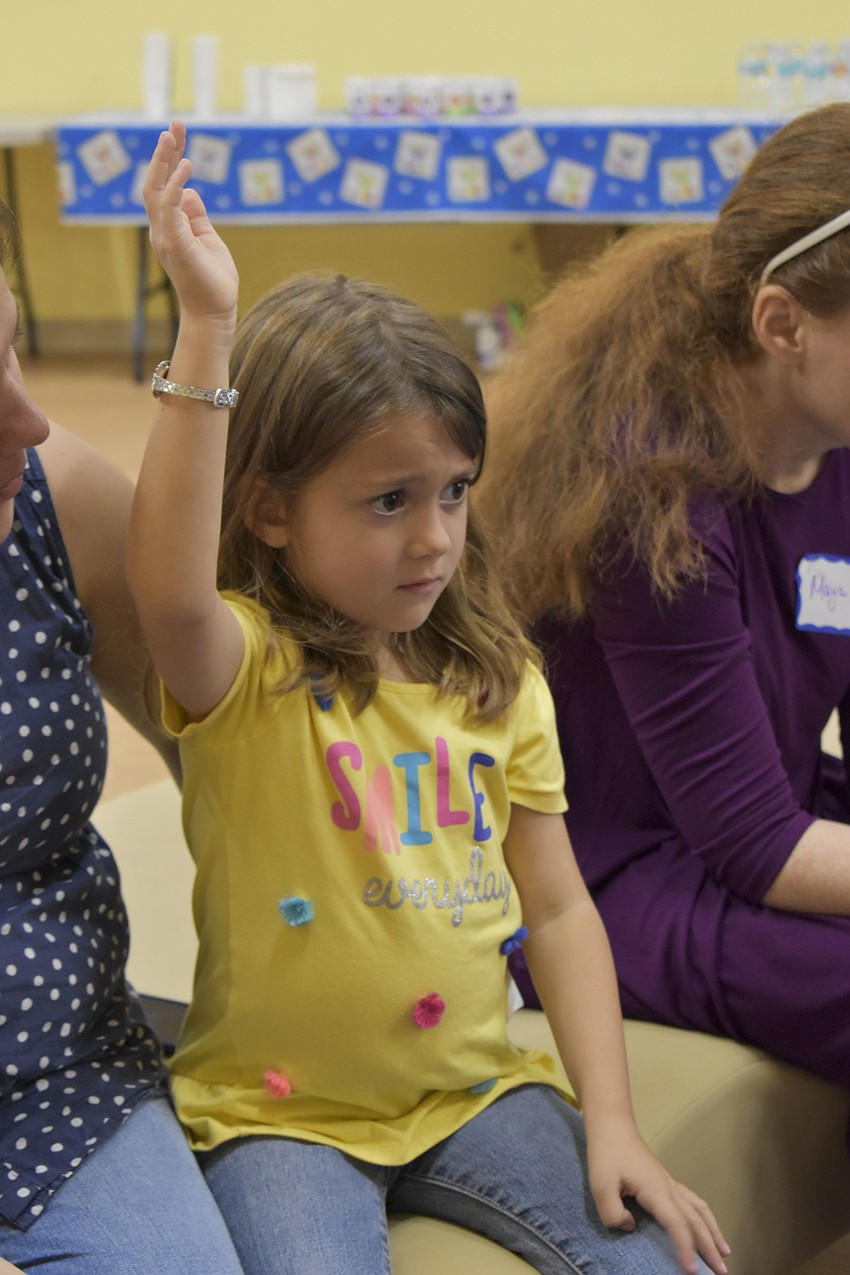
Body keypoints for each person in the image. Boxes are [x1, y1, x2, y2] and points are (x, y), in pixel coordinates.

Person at [127, 119, 729, 1275]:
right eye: (389, 501)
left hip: (476, 1091)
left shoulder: (497, 678)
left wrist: (613, 1125)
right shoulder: (247, 669)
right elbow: (164, 586)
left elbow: (555, 912)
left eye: (454, 491)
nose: (439, 538)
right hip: (279, 1119)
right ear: (267, 512)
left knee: (657, 1261)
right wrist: (208, 328)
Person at [479, 101, 850, 1096]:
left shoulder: (838, 445)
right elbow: (755, 849)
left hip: (754, 814)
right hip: (613, 873)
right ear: (781, 324)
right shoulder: (655, 502)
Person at [0, 203, 244, 1273]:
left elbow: (230, 742)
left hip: (54, 1074)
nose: (30, 419)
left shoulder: (57, 500)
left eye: (11, 348)